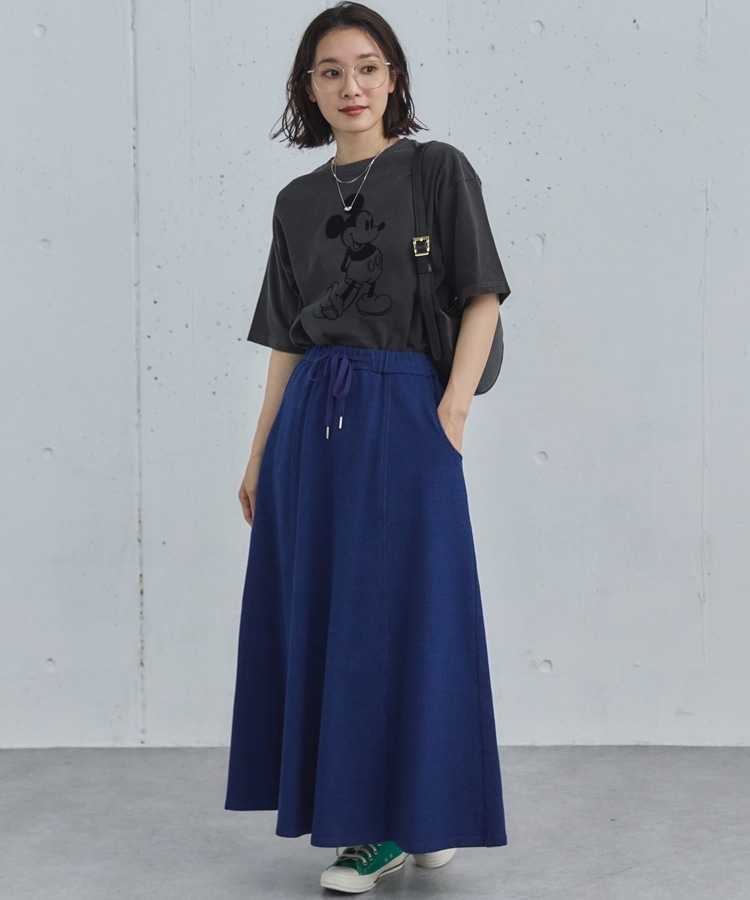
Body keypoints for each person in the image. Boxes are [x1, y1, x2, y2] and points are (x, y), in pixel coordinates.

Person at [225, 2, 510, 893]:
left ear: (393, 79)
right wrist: (260, 451)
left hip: (407, 408)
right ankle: (405, 820)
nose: (351, 85)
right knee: (334, 619)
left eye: (367, 67)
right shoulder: (296, 201)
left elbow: (482, 295)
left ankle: (394, 821)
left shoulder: (435, 169)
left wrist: (450, 413)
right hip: (315, 418)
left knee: (408, 616)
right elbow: (288, 338)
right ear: (307, 90)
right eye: (330, 71)